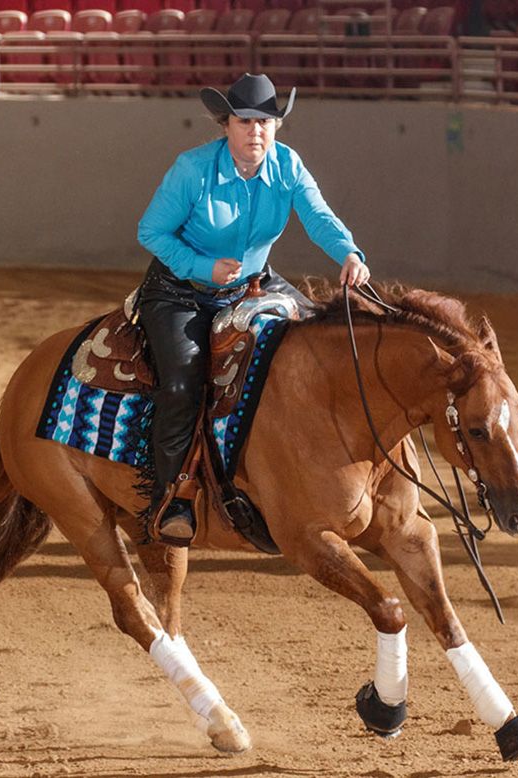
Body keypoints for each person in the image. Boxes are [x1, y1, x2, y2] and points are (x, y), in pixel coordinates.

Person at [136, 73, 370, 546]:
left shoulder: (288, 165)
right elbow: (151, 232)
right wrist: (201, 264)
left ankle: (296, 472)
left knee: (314, 350)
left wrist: (349, 252)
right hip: (179, 291)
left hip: (251, 285)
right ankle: (173, 496)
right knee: (183, 381)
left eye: (265, 121)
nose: (256, 131)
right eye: (245, 121)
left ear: (276, 126)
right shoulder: (192, 169)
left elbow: (318, 216)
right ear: (226, 124)